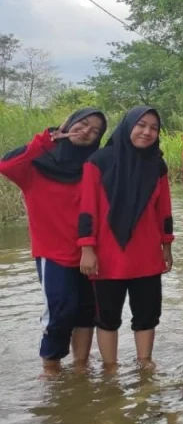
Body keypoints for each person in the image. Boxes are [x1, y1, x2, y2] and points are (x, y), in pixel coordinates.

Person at [0, 108, 107, 373]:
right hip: (53, 253)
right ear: (68, 123)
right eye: (83, 125)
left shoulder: (95, 166)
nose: (87, 133)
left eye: (95, 132)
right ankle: (51, 367)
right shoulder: (37, 166)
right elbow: (5, 164)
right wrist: (49, 138)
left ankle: (81, 366)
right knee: (61, 311)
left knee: (87, 309)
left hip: (92, 250)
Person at [78, 106, 173, 369]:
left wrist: (167, 245)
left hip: (147, 254)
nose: (147, 132)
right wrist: (87, 248)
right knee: (107, 317)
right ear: (128, 125)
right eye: (141, 125)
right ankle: (111, 369)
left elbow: (163, 209)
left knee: (147, 315)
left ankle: (145, 364)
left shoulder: (157, 165)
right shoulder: (98, 161)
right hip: (108, 255)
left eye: (154, 128)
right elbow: (88, 209)